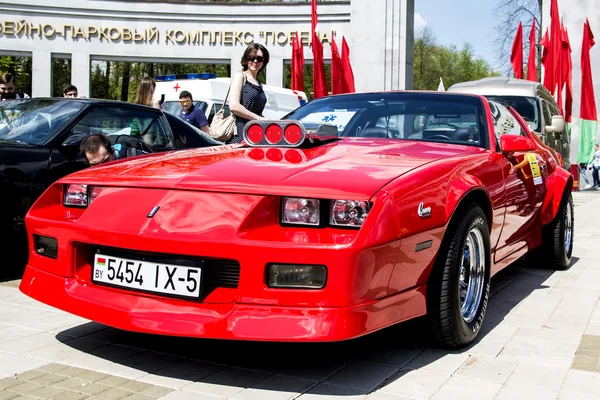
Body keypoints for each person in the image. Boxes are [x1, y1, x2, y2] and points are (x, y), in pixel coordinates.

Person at [227, 43, 270, 144]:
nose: (255, 61)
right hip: (240, 132)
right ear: (246, 60)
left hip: (255, 133)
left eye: (259, 59)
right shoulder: (240, 76)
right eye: (252, 58)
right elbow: (234, 106)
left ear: (264, 62)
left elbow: (257, 112)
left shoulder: (259, 83)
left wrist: (267, 121)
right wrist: (258, 118)